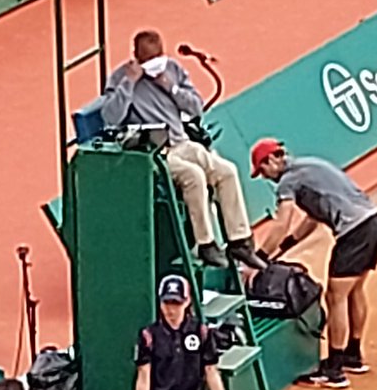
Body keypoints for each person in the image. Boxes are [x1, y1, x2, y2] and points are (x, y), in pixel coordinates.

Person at [100, 29, 265, 272]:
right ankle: (205, 244)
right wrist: (129, 83)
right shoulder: (120, 78)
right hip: (155, 153)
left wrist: (171, 88)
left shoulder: (173, 70)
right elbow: (110, 117)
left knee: (226, 171)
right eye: (149, 61)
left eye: (158, 59)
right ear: (136, 57)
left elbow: (196, 107)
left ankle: (240, 241)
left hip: (182, 143)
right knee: (193, 176)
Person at [249, 138, 377, 389]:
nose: (265, 176)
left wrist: (258, 259)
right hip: (374, 223)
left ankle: (334, 369)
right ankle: (352, 355)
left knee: (335, 297)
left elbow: (282, 223)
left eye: (262, 170)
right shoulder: (310, 166)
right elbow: (312, 219)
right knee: (354, 290)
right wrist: (285, 246)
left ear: (271, 160)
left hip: (354, 232)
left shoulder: (288, 181)